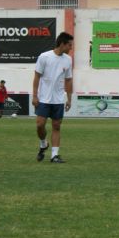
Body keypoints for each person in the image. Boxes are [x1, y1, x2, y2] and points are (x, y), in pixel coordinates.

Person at [32, 32, 73, 163]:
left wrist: (69, 98)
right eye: (69, 45)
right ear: (62, 44)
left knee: (56, 126)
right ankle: (43, 143)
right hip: (44, 98)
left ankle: (54, 155)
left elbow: (68, 80)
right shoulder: (44, 57)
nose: (71, 48)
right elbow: (37, 77)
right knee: (40, 125)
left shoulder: (68, 60)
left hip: (59, 100)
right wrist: (34, 96)